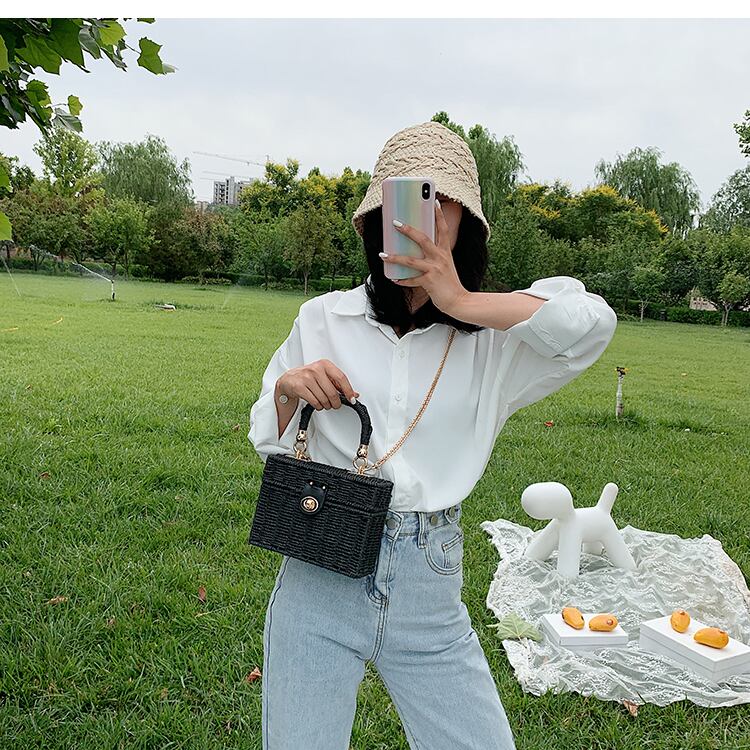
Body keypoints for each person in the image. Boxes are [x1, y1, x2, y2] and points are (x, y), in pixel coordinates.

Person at [248, 121, 618, 749]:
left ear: (464, 224)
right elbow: (268, 439)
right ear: (375, 222)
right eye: (402, 202)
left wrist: (460, 301)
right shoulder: (325, 317)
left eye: (437, 202)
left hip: (429, 582)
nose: (418, 220)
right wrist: (288, 389)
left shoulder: (494, 344)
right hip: (319, 570)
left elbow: (590, 324)